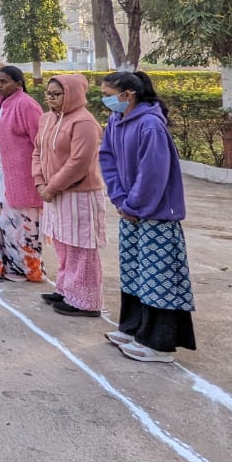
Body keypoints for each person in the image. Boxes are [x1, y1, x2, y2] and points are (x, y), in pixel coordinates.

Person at [99, 71, 196, 362]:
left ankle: (160, 344)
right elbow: (107, 158)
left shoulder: (151, 125)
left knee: (158, 277)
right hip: (129, 211)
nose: (105, 99)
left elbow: (153, 173)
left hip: (155, 214)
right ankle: (132, 328)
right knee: (133, 272)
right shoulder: (116, 121)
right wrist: (119, 198)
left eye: (108, 93)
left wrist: (134, 205)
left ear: (128, 94)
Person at [33, 74, 106, 317]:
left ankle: (86, 301)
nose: (50, 99)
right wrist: (40, 182)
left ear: (72, 94)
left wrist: (52, 187)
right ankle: (67, 290)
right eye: (48, 94)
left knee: (81, 246)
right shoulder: (46, 119)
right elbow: (37, 151)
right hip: (53, 193)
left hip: (78, 193)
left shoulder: (84, 122)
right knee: (62, 243)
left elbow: (79, 162)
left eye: (56, 94)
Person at [0, 66, 45, 283]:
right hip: (0, 173)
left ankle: (28, 268)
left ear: (18, 83)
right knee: (3, 220)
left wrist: (39, 173)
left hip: (21, 175)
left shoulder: (26, 105)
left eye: (4, 81)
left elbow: (40, 142)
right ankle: (6, 264)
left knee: (22, 222)